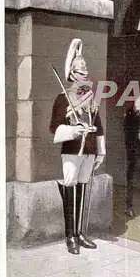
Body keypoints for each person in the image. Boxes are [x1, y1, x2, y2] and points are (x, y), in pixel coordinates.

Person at [49, 38, 106, 255]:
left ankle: (81, 233)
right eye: (81, 71)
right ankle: (70, 236)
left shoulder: (91, 97)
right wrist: (74, 130)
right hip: (72, 150)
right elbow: (54, 128)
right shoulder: (63, 99)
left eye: (85, 70)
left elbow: (98, 125)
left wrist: (101, 150)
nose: (85, 74)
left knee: (83, 188)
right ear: (72, 74)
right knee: (70, 187)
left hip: (89, 149)